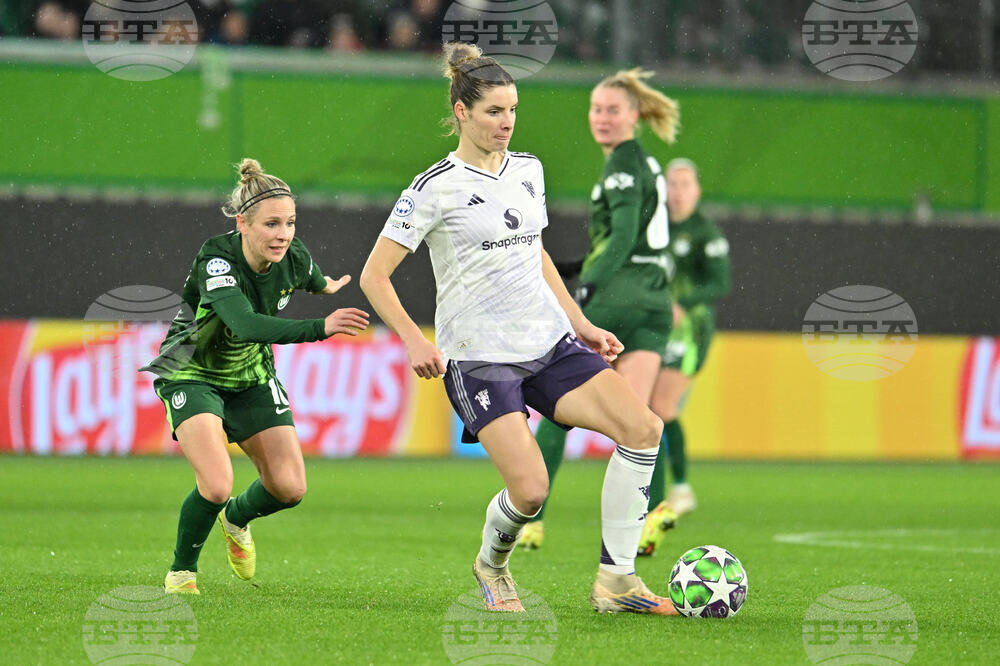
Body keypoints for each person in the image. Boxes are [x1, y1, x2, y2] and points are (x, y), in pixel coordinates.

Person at [359, 43, 677, 615]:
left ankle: (617, 581)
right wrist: (413, 337)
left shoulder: (529, 170)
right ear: (461, 111)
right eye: (492, 112)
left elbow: (536, 253)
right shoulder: (435, 187)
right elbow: (374, 276)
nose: (505, 123)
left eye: (512, 111)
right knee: (531, 491)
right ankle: (492, 563)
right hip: (480, 358)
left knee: (643, 427)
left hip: (549, 343)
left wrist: (579, 323)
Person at [142, 159, 370, 595]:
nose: (283, 234)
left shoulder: (293, 255)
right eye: (271, 224)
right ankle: (182, 572)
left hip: (251, 377)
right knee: (216, 482)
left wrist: (326, 286)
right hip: (193, 372)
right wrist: (322, 326)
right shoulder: (217, 258)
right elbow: (245, 324)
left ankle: (237, 518)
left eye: (290, 222)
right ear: (241, 222)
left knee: (289, 487)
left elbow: (310, 276)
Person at [519, 69, 681, 552]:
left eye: (613, 110)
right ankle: (656, 511)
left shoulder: (621, 166)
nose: (603, 118)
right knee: (640, 420)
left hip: (619, 295)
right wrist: (577, 265)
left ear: (634, 115)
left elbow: (625, 236)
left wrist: (584, 292)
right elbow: (626, 239)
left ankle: (532, 520)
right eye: (597, 109)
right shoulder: (645, 162)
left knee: (559, 410)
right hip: (655, 300)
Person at [640, 158, 731, 555]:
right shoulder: (655, 225)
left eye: (685, 184)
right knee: (657, 410)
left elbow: (720, 281)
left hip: (690, 330)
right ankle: (677, 489)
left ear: (697, 190)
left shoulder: (704, 232)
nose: (678, 191)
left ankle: (662, 499)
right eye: (672, 184)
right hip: (658, 325)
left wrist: (683, 301)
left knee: (659, 408)